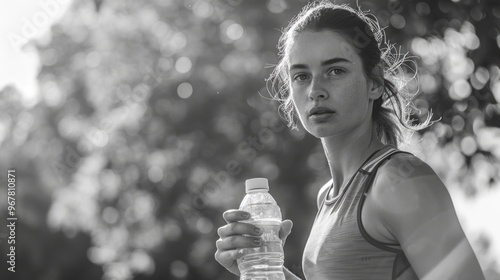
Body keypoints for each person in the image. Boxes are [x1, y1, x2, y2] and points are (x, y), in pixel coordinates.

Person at [215, 1, 485, 279]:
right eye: (301, 76)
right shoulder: (328, 196)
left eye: (336, 71)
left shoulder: (400, 181)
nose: (315, 90)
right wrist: (263, 265)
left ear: (375, 83)